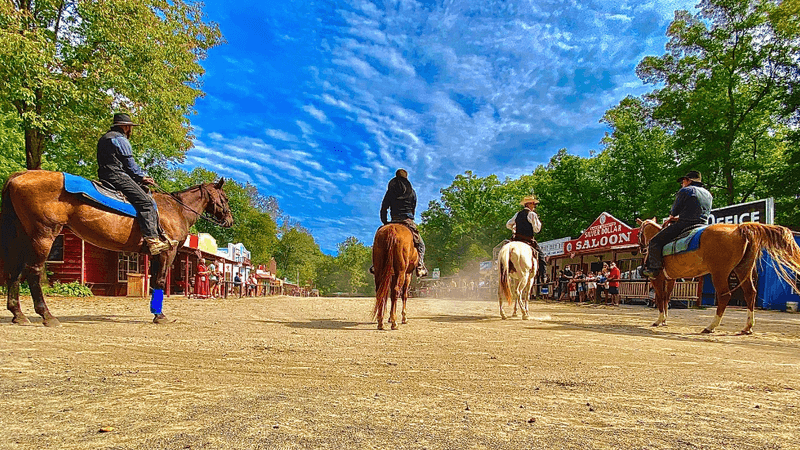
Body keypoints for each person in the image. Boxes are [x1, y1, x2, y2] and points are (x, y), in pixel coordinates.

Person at [97, 113, 177, 255]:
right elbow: (130, 164)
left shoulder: (104, 138)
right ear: (126, 126)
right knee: (146, 202)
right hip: (117, 176)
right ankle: (152, 240)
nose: (129, 129)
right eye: (129, 126)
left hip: (104, 174)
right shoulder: (120, 139)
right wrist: (142, 177)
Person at [642, 170, 713, 278]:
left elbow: (674, 211)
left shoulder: (685, 190)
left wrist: (672, 217)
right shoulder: (708, 194)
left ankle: (654, 269)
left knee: (654, 242)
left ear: (688, 180)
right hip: (703, 225)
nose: (682, 184)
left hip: (685, 225)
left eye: (682, 181)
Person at [378, 169, 428, 277]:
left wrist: (385, 222)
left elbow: (384, 208)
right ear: (406, 178)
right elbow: (413, 208)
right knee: (421, 245)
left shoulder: (390, 192)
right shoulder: (412, 192)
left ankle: (375, 264)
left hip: (393, 220)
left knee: (379, 240)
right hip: (407, 221)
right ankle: (420, 266)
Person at [505, 195, 548, 284]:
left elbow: (508, 224)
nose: (534, 206)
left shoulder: (517, 214)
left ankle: (504, 269)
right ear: (529, 204)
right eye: (533, 204)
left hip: (516, 239)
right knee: (541, 256)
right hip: (528, 240)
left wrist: (514, 229)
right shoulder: (532, 214)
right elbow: (537, 229)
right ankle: (543, 276)